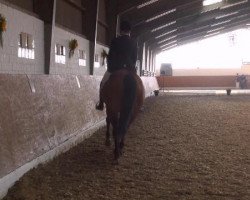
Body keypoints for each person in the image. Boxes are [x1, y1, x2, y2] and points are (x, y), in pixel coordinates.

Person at [96, 20, 137, 110]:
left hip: (115, 68)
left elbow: (110, 56)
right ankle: (137, 103)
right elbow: (134, 59)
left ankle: (101, 103)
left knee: (102, 83)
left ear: (121, 30)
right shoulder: (134, 42)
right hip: (129, 69)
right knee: (137, 84)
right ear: (130, 31)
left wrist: (111, 67)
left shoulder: (115, 40)